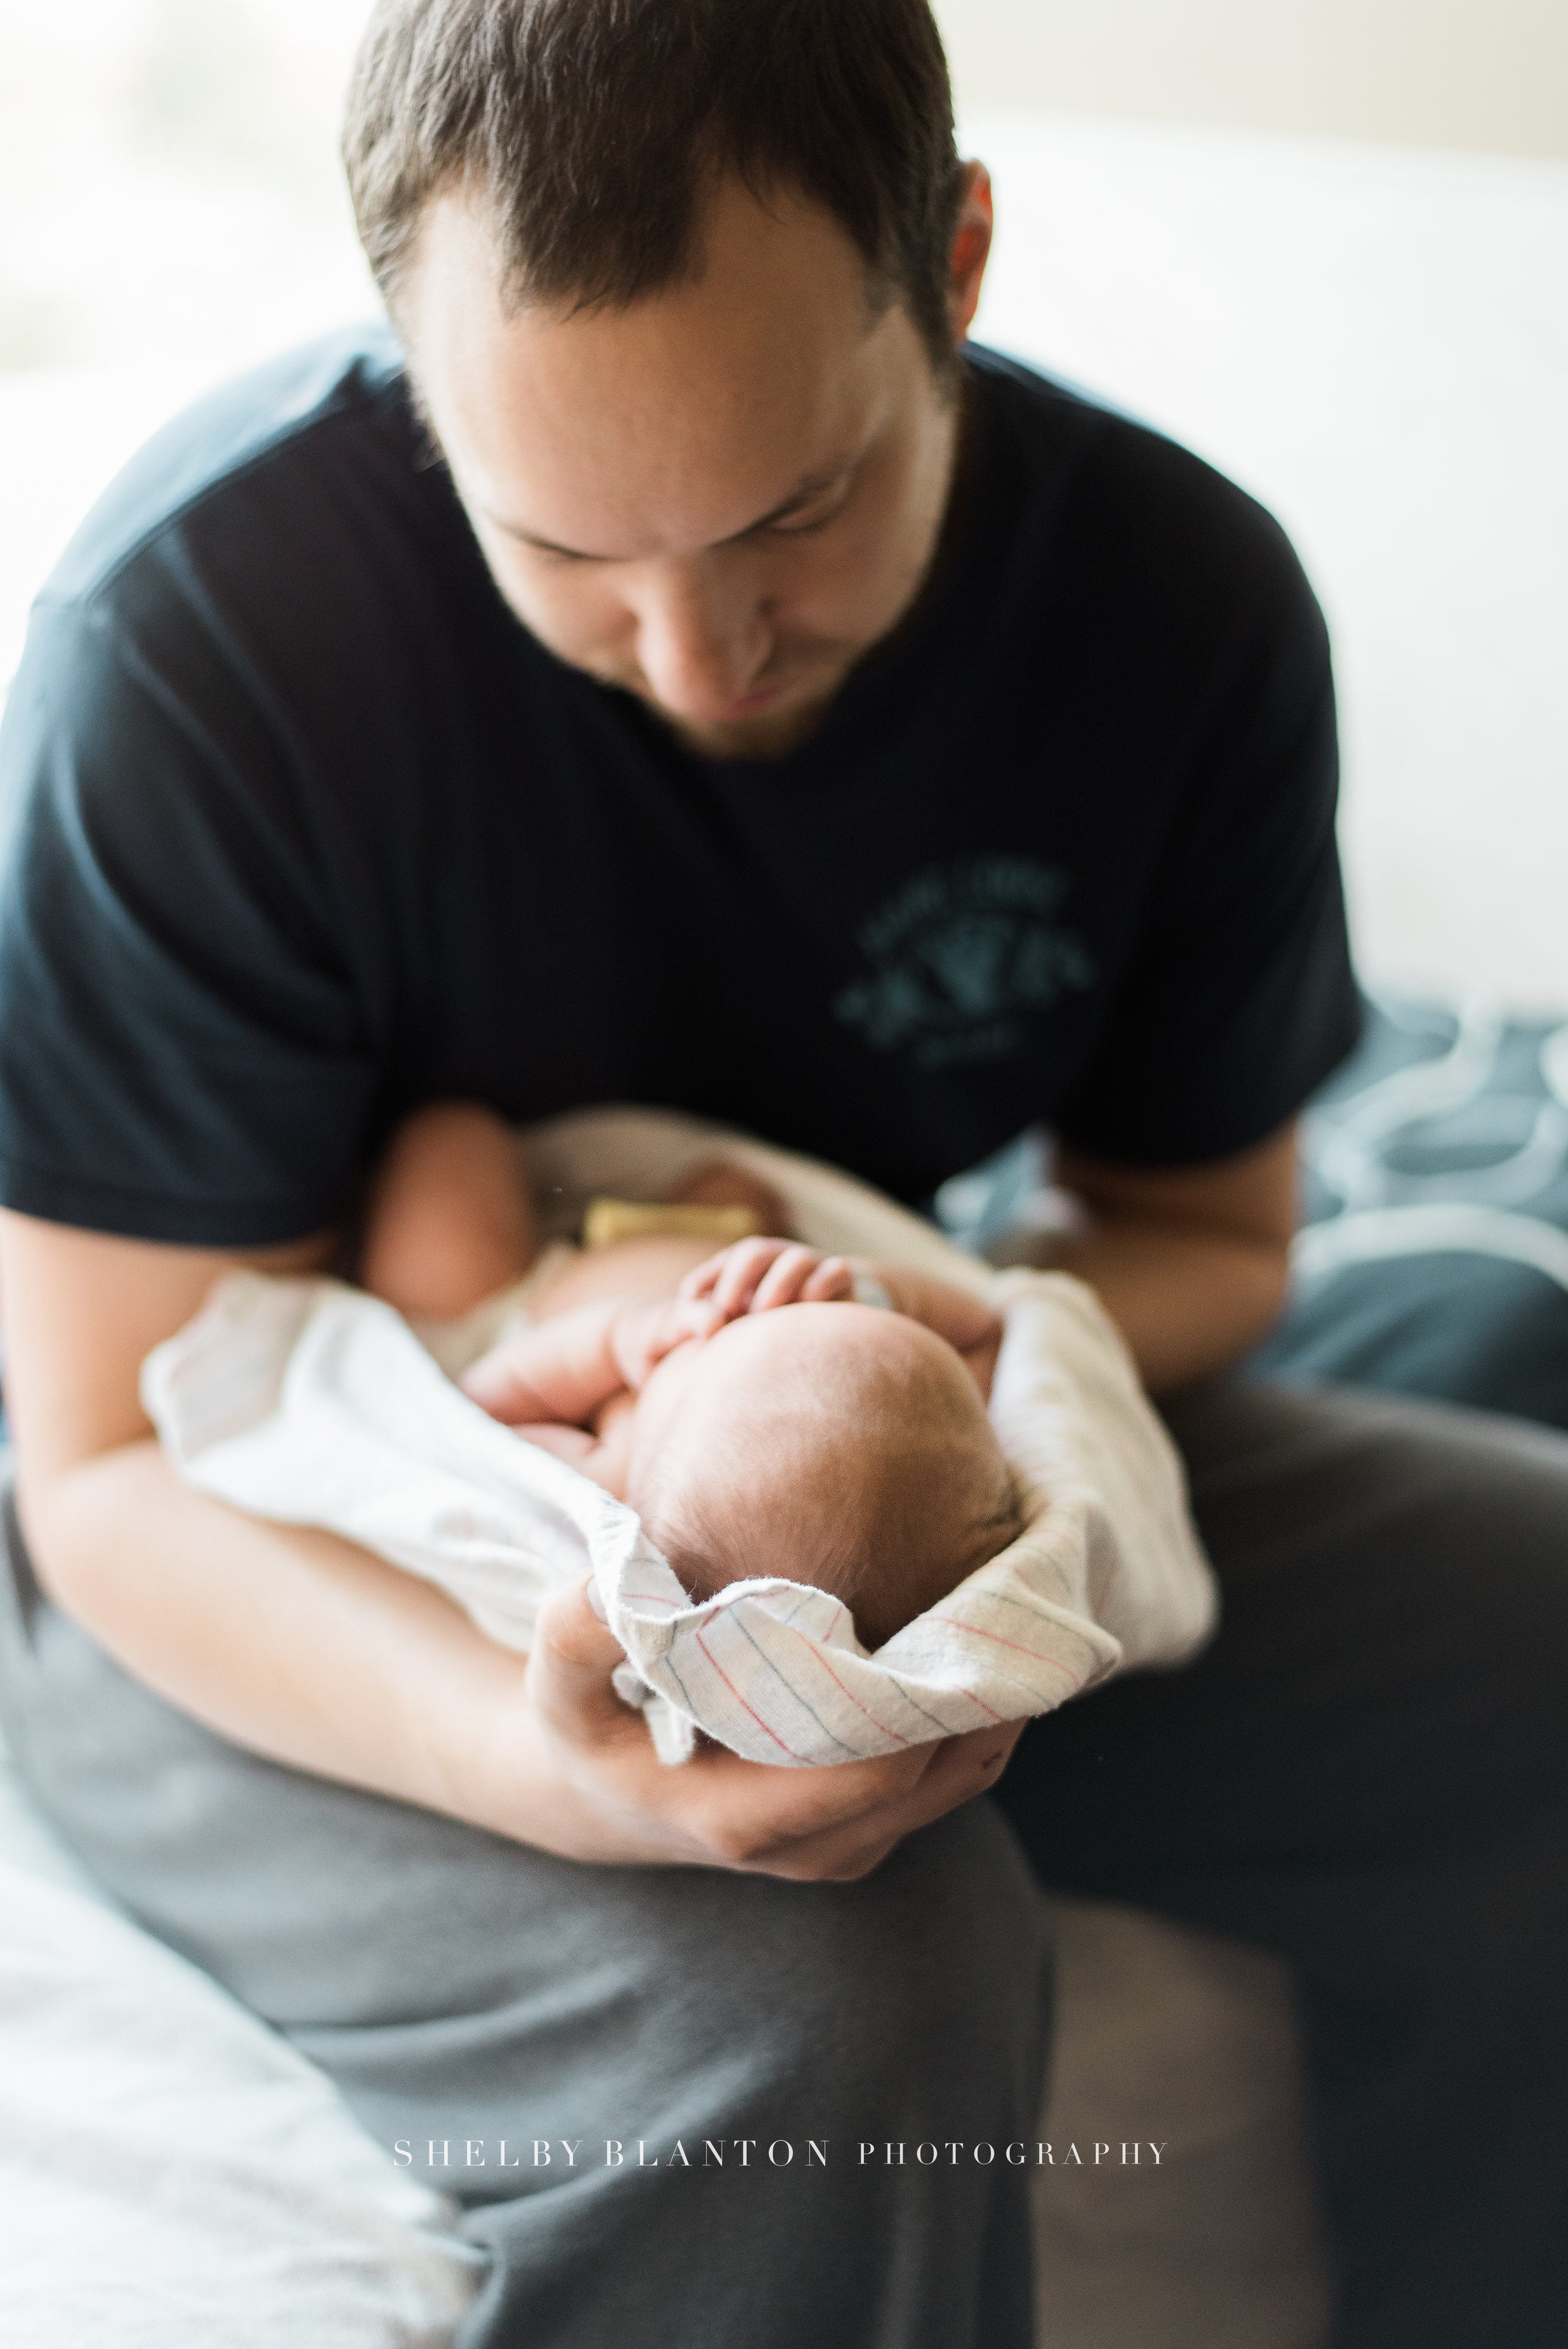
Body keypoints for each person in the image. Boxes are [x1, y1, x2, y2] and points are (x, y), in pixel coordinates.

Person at [0, 3, 1562, 2344]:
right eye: (562, 550)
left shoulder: (1177, 609)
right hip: (283, 1531)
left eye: (794, 513)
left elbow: (1208, 1232)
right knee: (854, 2011)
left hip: (844, 1436)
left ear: (955, 260)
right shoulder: (201, 658)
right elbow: (119, 1460)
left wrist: (899, 1385)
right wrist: (552, 1774)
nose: (697, 655)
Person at [361, 1100, 1021, 1648]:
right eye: (820, 1319)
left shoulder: (617, 1480)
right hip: (714, 1242)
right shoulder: (933, 1440)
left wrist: (611, 1345)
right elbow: (981, 1327)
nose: (737, 1316)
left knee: (447, 1145)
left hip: (524, 1300)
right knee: (735, 1184)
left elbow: (485, 1413)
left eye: (715, 1351)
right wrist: (868, 1291)